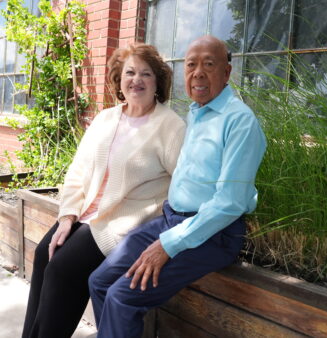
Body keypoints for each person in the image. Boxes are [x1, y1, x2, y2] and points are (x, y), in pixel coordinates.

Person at [88, 35, 267, 337]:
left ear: (226, 72)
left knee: (123, 297)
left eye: (208, 64)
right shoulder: (197, 113)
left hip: (212, 234)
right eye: (191, 65)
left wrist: (169, 245)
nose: (198, 72)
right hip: (172, 220)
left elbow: (230, 203)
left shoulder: (239, 121)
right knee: (100, 281)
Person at [22, 44, 186, 338]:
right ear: (119, 80)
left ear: (158, 82)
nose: (137, 80)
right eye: (130, 72)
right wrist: (67, 216)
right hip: (85, 214)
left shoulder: (171, 127)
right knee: (43, 256)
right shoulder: (106, 118)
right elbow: (78, 171)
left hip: (121, 223)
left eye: (146, 74)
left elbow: (183, 185)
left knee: (63, 270)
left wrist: (161, 224)